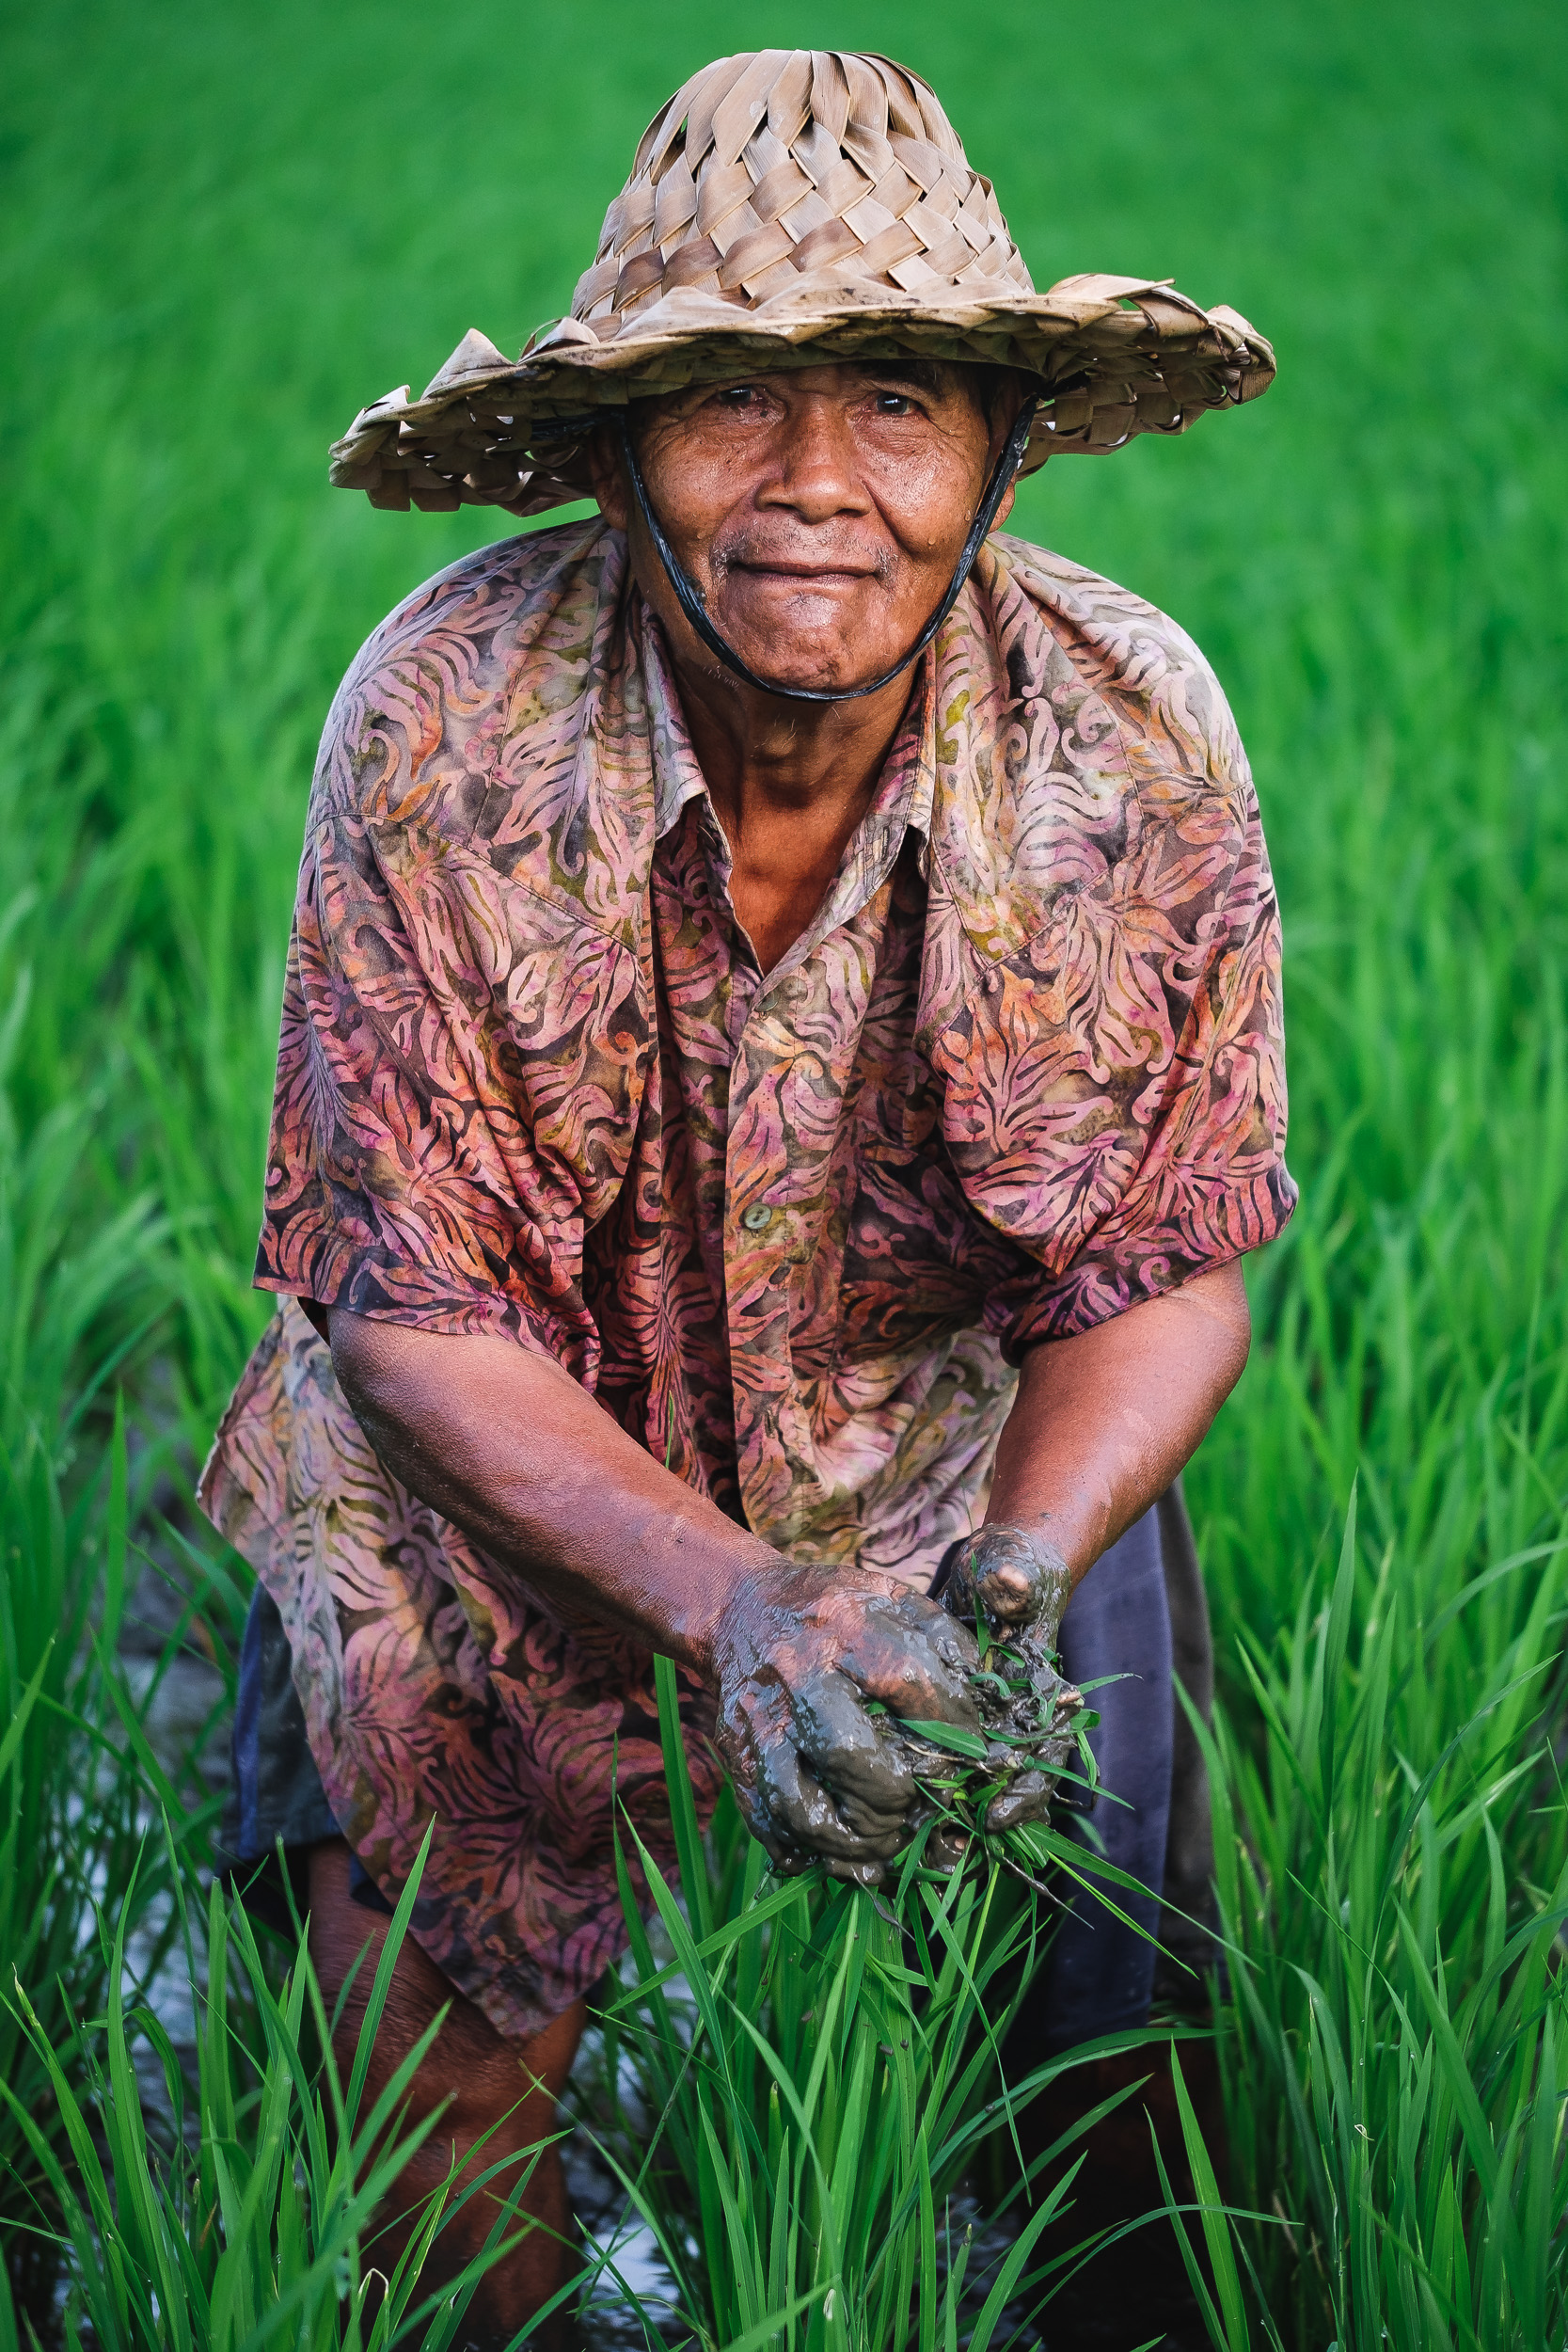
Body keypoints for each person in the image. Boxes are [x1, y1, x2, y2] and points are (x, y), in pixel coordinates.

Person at [200, 46, 1292, 2344]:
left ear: (998, 445)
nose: (818, 488)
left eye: (896, 402)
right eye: (728, 403)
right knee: (428, 2108)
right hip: (485, 1475)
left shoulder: (1131, 733)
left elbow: (1176, 1251)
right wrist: (745, 1604)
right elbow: (402, 1301)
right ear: (615, 453)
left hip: (931, 1438)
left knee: (1121, 2084)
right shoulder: (444, 727)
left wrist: (1008, 1567)